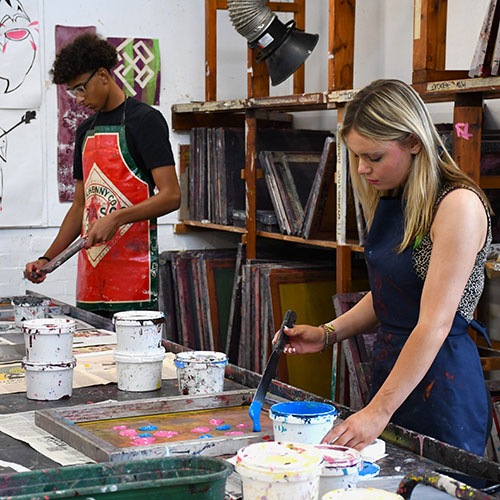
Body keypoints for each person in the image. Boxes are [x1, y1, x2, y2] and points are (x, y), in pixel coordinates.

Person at [277, 79, 492, 456]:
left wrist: (377, 411)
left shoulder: (457, 205)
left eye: (373, 157)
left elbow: (435, 322)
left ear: (413, 141)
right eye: (357, 157)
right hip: (394, 373)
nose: (362, 169)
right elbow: (391, 294)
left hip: (442, 383)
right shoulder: (398, 195)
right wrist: (328, 333)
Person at [24, 34, 181, 316]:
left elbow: (171, 196)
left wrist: (117, 217)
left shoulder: (145, 121)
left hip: (136, 284)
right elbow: (80, 208)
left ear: (103, 75)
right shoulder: (85, 131)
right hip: (92, 281)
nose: (80, 99)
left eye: (82, 89)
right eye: (73, 92)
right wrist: (47, 258)